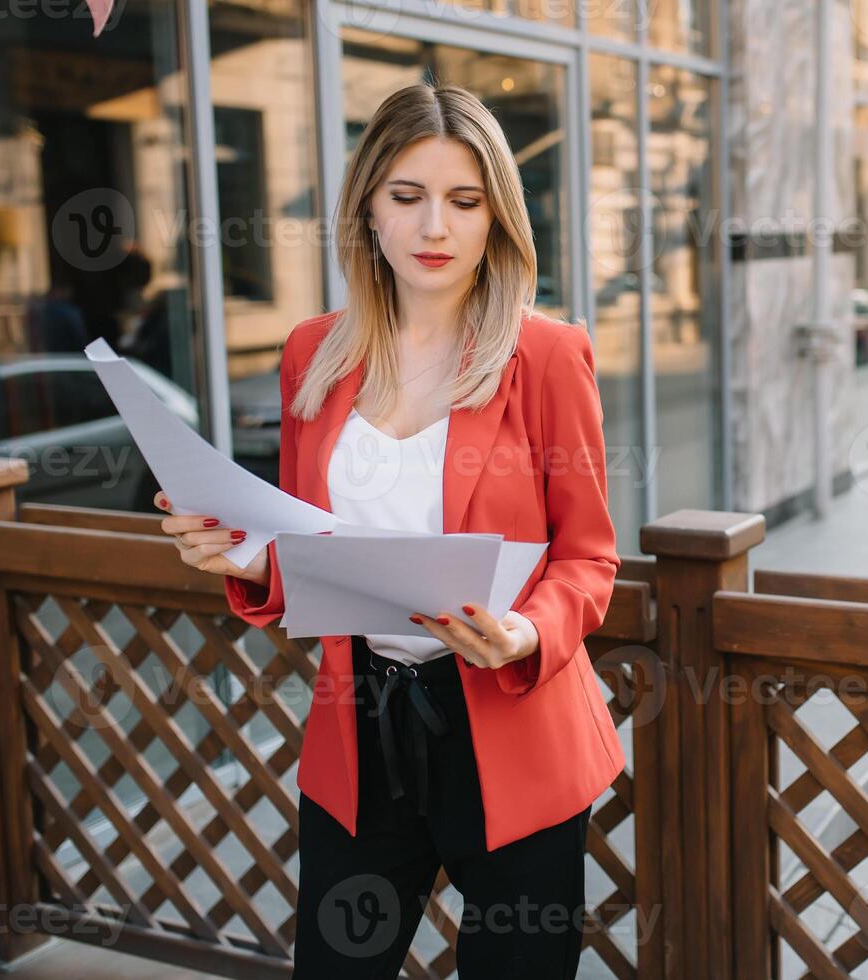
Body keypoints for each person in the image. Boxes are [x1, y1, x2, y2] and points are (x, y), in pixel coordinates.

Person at [154, 83, 622, 979]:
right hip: (363, 723)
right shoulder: (313, 355)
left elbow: (590, 556)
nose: (433, 227)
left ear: (497, 219)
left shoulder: (550, 356)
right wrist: (246, 557)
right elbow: (311, 546)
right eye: (407, 197)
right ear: (368, 208)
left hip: (515, 723)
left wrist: (527, 631)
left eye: (463, 201)